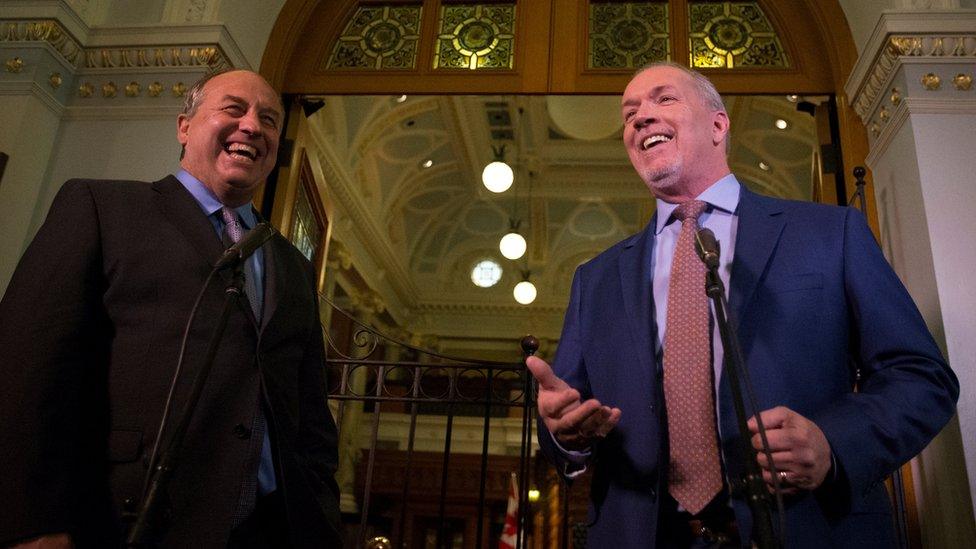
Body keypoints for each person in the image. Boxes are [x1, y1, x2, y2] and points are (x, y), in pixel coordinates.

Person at [527, 62, 959, 548]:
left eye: (663, 100)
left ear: (718, 124)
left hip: (809, 528)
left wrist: (833, 443)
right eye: (630, 113)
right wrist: (566, 434)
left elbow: (921, 377)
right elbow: (566, 419)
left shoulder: (829, 235)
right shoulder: (596, 279)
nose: (640, 118)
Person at [0, 70, 341, 548]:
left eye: (268, 119)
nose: (252, 126)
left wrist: (320, 518)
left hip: (266, 530)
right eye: (233, 109)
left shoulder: (293, 265)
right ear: (184, 126)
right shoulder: (102, 208)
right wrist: (33, 524)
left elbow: (308, 411)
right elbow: (25, 369)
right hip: (120, 522)